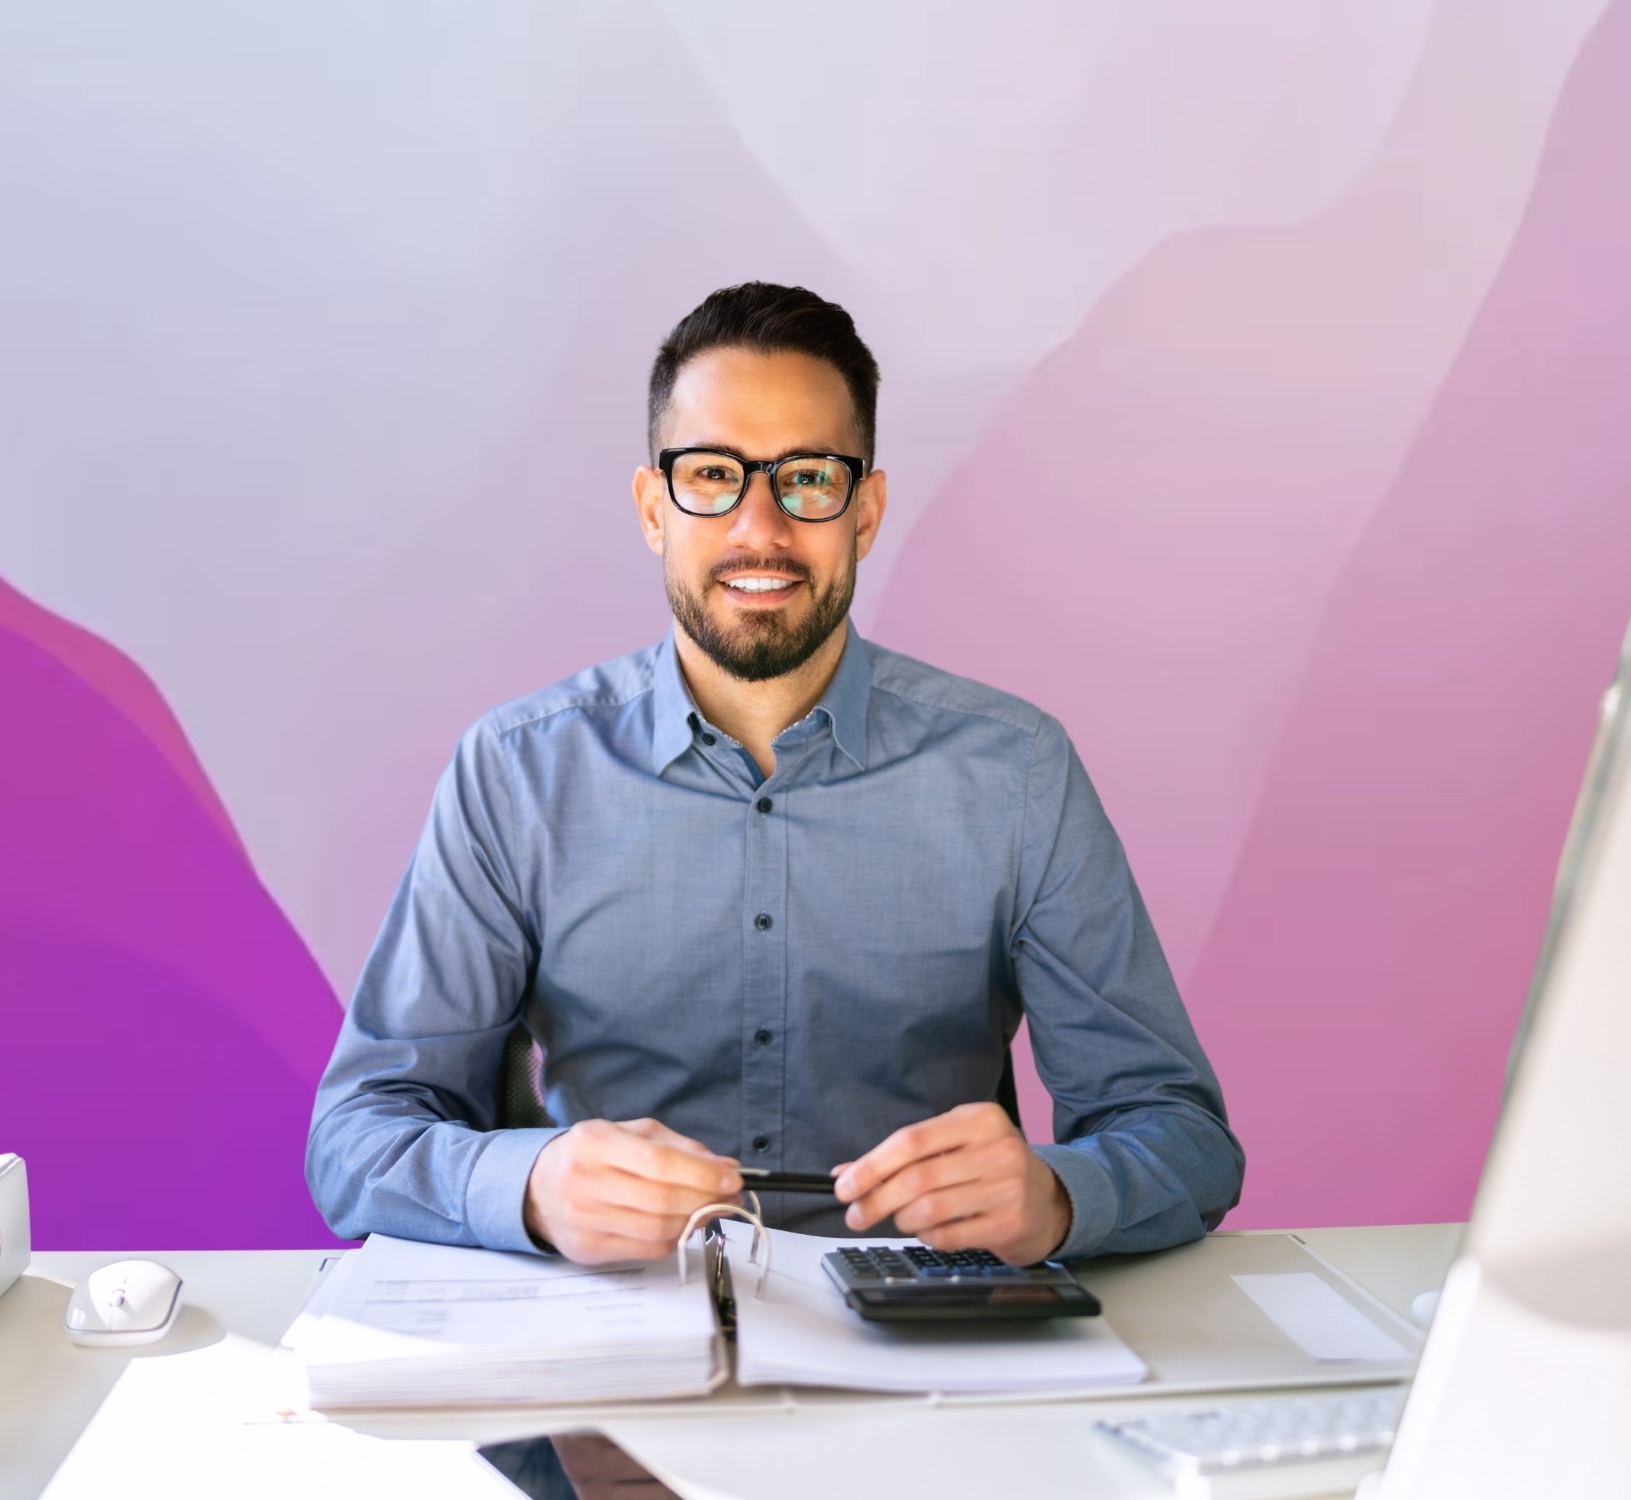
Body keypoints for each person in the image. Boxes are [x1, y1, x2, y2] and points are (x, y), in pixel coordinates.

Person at [307, 282, 1243, 1267]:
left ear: (867, 510)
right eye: (712, 475)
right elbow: (356, 1140)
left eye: (807, 478)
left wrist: (1057, 1197)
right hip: (609, 1341)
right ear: (652, 509)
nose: (760, 527)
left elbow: (1178, 1133)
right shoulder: (514, 776)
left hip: (931, 1354)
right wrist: (531, 1188)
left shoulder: (1015, 772)